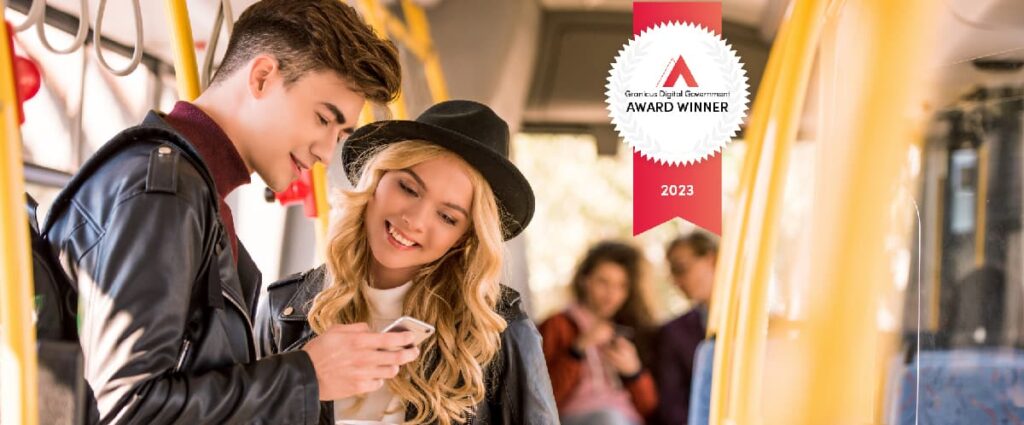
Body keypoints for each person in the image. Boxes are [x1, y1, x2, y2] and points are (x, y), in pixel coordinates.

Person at [43, 1, 416, 423]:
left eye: (341, 134)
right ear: (261, 77)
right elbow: (132, 407)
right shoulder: (164, 191)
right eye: (322, 119)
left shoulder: (195, 193)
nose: (326, 152)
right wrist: (307, 375)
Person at [255, 100, 559, 425]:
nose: (414, 220)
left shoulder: (499, 327)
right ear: (376, 180)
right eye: (408, 188)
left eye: (446, 216)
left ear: (465, 237)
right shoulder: (284, 309)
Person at [539, 241, 659, 425]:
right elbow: (543, 397)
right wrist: (577, 350)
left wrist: (634, 373)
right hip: (577, 416)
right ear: (584, 280)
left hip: (625, 417)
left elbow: (650, 408)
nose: (612, 294)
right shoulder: (557, 324)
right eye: (603, 282)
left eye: (621, 286)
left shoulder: (629, 328)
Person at [653, 231, 718, 425]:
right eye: (672, 273)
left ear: (711, 260)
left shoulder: (764, 324)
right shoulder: (672, 333)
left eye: (681, 269)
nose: (676, 281)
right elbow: (672, 406)